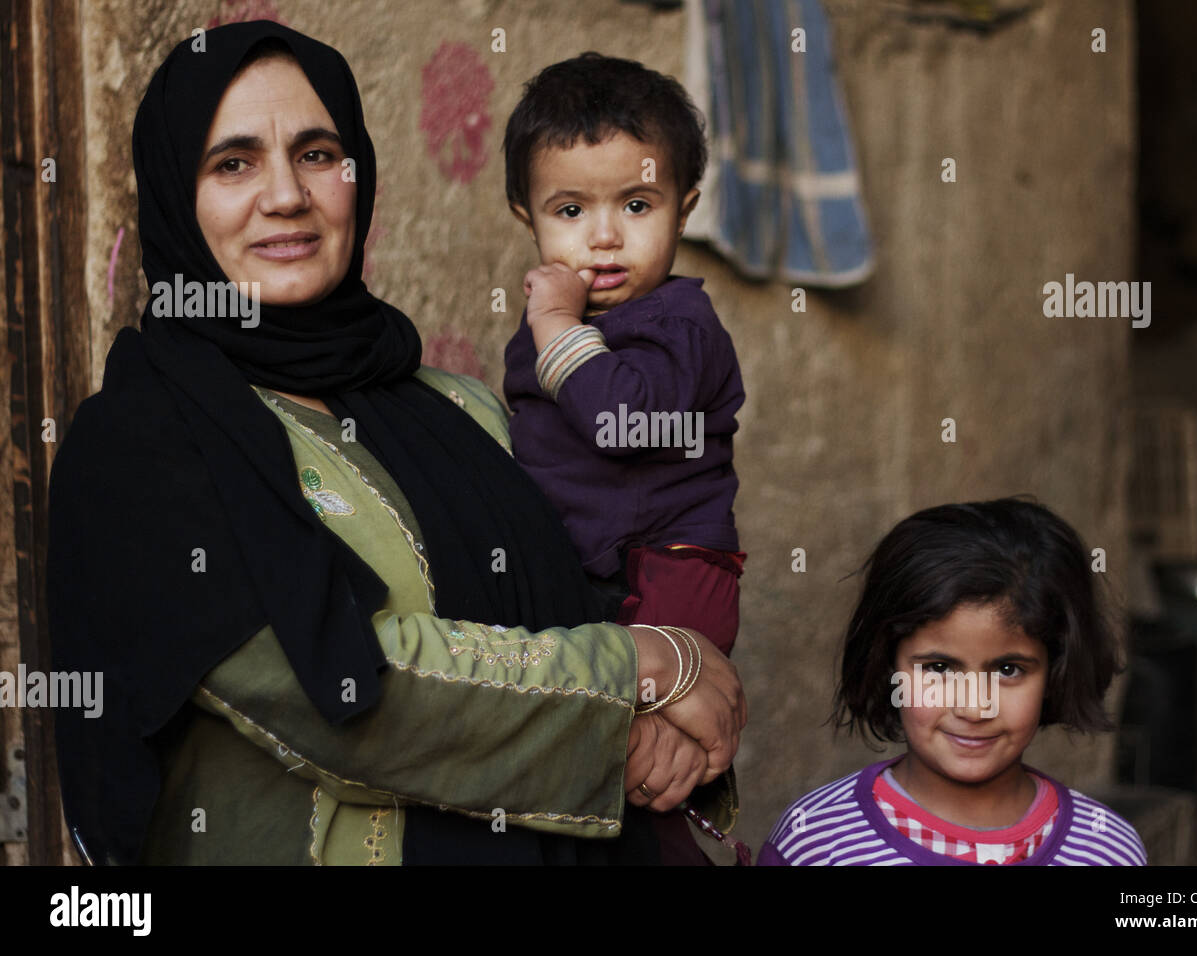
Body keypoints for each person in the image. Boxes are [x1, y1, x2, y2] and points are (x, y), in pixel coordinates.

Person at [45, 20, 743, 866]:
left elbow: (581, 588)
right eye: (232, 163)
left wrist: (663, 721)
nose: (286, 196)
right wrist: (641, 673)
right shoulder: (137, 443)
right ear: (173, 193)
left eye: (315, 153)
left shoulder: (458, 409)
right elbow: (342, 697)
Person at [499, 53, 747, 863]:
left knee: (655, 771)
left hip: (671, 571)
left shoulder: (678, 325)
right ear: (525, 214)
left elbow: (620, 425)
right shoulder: (559, 329)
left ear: (684, 209)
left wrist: (558, 330)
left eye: (637, 204)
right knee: (611, 766)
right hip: (604, 574)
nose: (604, 237)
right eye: (570, 209)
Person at [759, 498, 1147, 866]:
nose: (974, 708)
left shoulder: (1106, 848)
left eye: (1008, 670)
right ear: (886, 666)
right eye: (940, 668)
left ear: (1057, 672)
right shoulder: (817, 840)